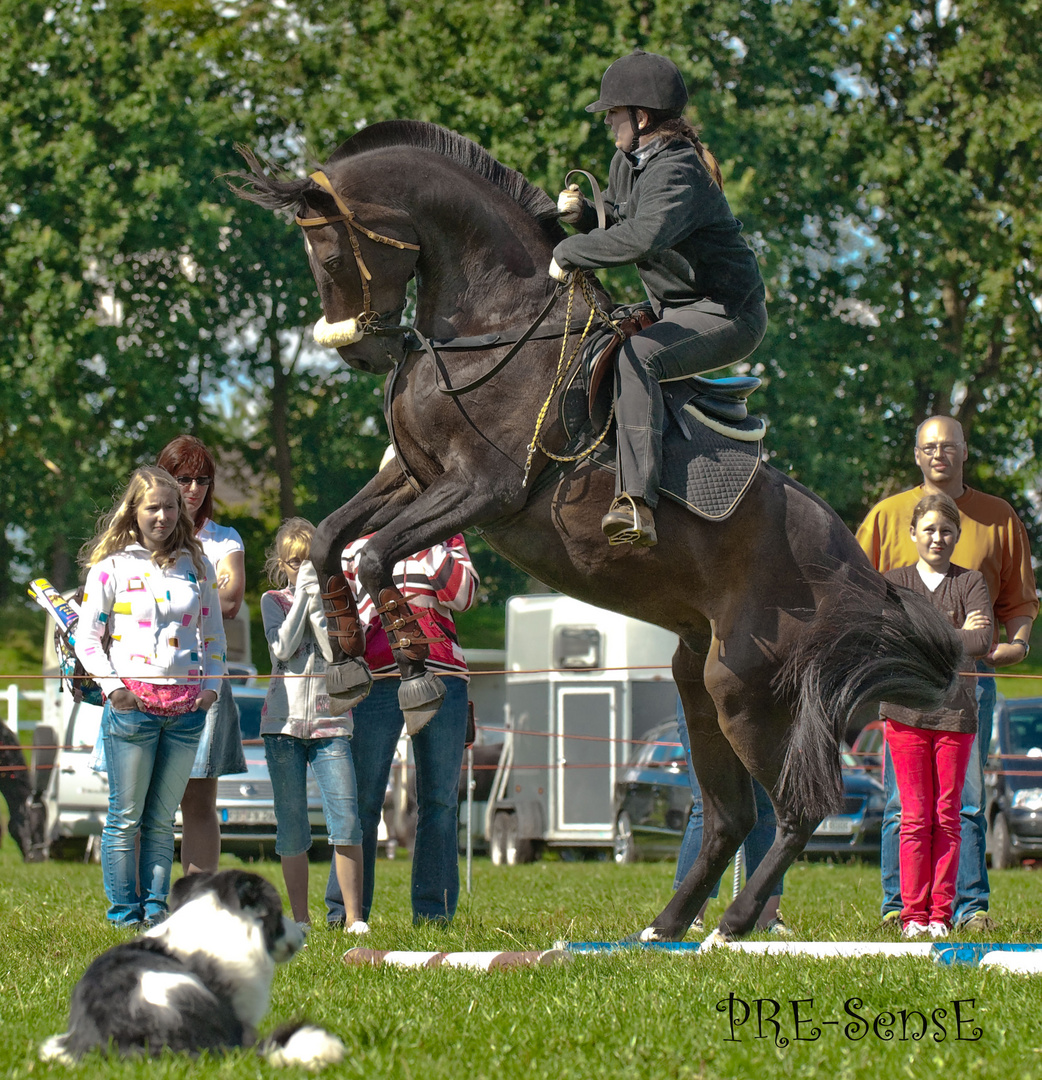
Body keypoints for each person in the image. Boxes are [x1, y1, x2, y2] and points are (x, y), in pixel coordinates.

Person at [551, 48, 768, 547]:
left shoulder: (679, 170)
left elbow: (644, 238)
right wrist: (583, 215)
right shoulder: (627, 162)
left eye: (613, 114)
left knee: (638, 358)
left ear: (641, 117)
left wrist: (570, 250)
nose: (609, 124)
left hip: (726, 313)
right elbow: (620, 221)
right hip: (676, 308)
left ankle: (636, 504)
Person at [857, 414, 1038, 930]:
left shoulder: (998, 516)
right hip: (904, 687)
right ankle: (899, 907)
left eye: (949, 445)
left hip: (971, 685)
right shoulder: (886, 515)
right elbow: (863, 596)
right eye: (929, 446)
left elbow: (1018, 598)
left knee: (967, 802)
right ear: (917, 455)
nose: (939, 453)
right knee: (903, 804)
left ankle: (968, 907)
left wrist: (1017, 642)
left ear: (964, 451)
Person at [75, 466, 225, 927]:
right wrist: (114, 688)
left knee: (162, 821)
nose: (162, 516)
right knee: (125, 818)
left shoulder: (197, 565)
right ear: (134, 512)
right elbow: (88, 639)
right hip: (131, 709)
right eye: (152, 507)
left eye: (171, 506)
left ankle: (156, 912)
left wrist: (211, 690)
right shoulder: (112, 567)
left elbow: (214, 635)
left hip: (186, 711)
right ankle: (124, 915)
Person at [326, 492, 478, 926]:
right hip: (378, 678)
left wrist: (426, 542)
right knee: (362, 799)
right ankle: (346, 914)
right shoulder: (355, 545)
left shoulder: (447, 537)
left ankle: (434, 916)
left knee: (439, 801)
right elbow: (345, 618)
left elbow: (465, 596)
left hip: (443, 674)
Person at [879, 493, 992, 938]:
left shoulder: (971, 582)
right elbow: (887, 635)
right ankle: (912, 916)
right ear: (913, 534)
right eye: (928, 529)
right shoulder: (894, 583)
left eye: (946, 531)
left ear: (957, 536)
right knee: (913, 815)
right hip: (905, 712)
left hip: (956, 717)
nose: (937, 538)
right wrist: (954, 632)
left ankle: (941, 914)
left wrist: (923, 634)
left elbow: (982, 639)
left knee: (948, 814)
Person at [260, 518, 367, 933]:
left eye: (309, 561)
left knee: (347, 819)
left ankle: (356, 919)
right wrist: (302, 600)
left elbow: (333, 651)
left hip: (332, 722)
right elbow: (282, 650)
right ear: (280, 564)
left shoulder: (339, 599)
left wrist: (318, 602)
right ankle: (300, 919)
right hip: (282, 726)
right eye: (293, 561)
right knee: (292, 823)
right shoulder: (273, 600)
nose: (300, 568)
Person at [156, 435, 247, 874]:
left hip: (203, 684)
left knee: (198, 803)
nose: (194, 488)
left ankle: (197, 904)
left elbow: (229, 604)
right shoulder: (138, 541)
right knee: (145, 802)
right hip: (148, 681)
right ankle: (142, 907)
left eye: (203, 479)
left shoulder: (223, 540)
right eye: (184, 478)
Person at [673, 697, 788, 934]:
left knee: (765, 807)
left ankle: (767, 917)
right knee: (708, 806)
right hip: (703, 702)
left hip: (754, 703)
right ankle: (689, 914)